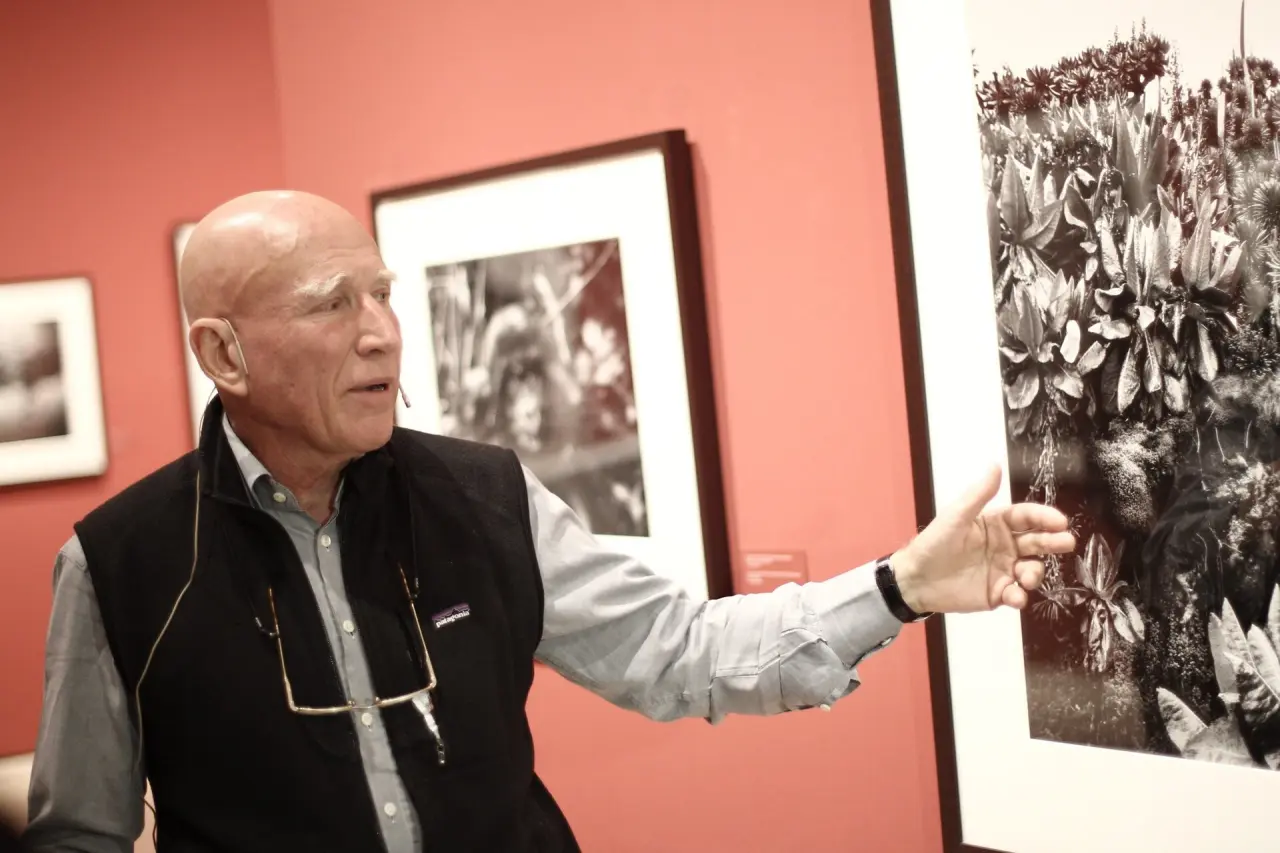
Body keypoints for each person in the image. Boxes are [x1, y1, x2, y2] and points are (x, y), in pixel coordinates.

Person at [20, 190, 1074, 853]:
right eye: (332, 303)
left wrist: (898, 586)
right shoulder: (119, 563)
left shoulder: (484, 495)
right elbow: (81, 834)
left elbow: (683, 652)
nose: (382, 334)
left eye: (382, 294)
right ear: (224, 353)